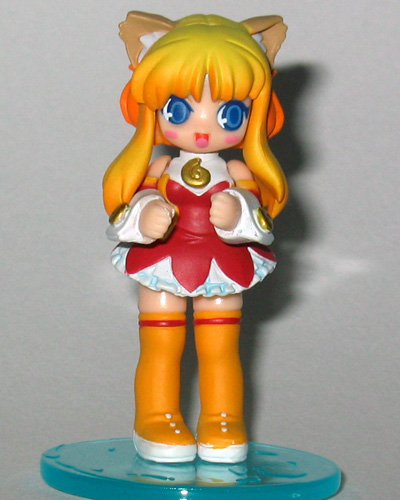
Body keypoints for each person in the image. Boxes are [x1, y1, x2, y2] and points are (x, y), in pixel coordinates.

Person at [103, 11, 288, 464]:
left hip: (222, 266)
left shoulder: (239, 170)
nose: (203, 129)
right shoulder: (159, 167)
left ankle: (223, 420)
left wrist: (238, 212)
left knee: (220, 348)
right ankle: (156, 417)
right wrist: (146, 214)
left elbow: (262, 223)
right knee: (161, 345)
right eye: (180, 110)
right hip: (164, 264)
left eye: (228, 113)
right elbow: (126, 212)